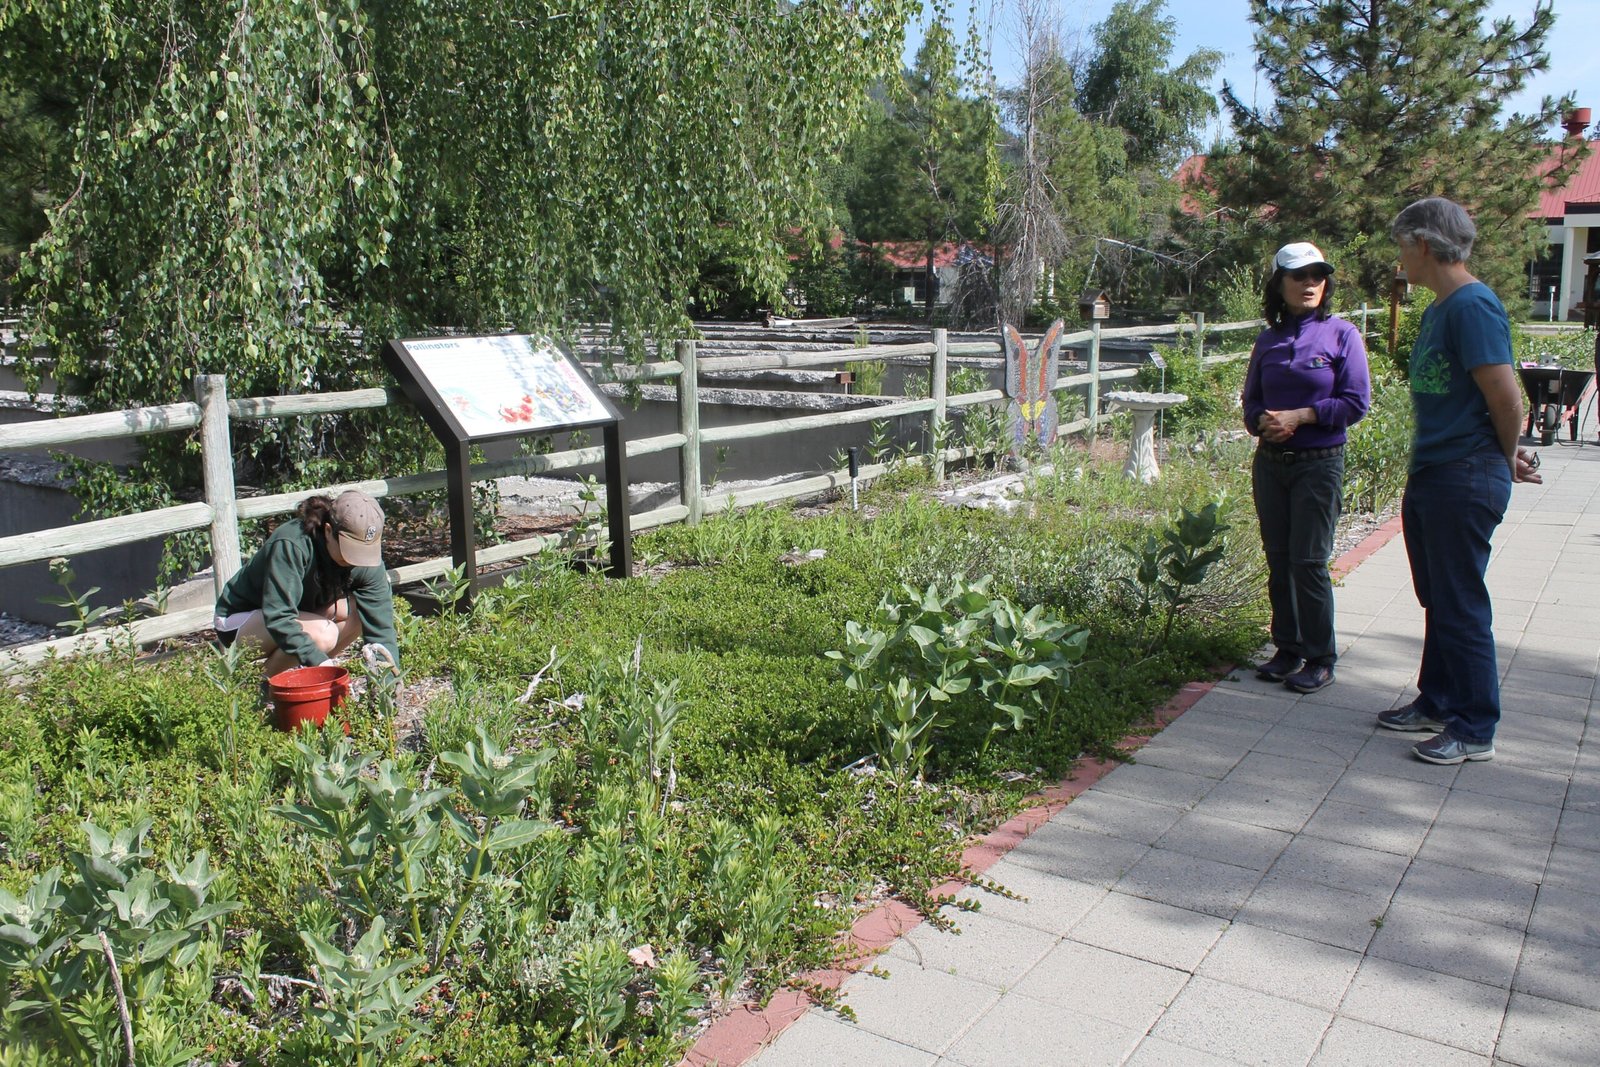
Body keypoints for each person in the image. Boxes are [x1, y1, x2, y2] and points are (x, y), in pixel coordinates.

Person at [1376, 197, 1541, 764]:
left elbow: (1504, 395)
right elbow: (1471, 402)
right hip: (1437, 471)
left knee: (1460, 601)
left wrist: (1504, 454)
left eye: (1403, 247)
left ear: (1423, 244)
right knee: (1439, 597)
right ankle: (1439, 698)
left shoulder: (1472, 306)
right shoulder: (1439, 309)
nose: (1401, 261)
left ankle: (1475, 727)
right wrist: (1506, 452)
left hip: (1462, 476)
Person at [1242, 241, 1372, 694]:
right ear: (1279, 284)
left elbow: (1356, 402)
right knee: (1278, 559)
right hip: (1272, 464)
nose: (1310, 283)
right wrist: (1263, 422)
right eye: (1299, 276)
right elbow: (1252, 402)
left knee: (1309, 561)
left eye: (1318, 275)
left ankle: (1320, 657)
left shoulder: (1342, 335)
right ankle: (1287, 648)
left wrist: (1301, 417)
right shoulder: (1269, 339)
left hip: (1319, 464)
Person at [213, 489, 400, 680]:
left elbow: (381, 629)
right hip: (241, 621)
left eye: (363, 551)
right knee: (323, 635)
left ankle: (302, 680)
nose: (356, 560)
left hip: (296, 614)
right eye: (350, 551)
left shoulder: (367, 562)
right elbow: (279, 616)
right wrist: (321, 661)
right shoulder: (292, 544)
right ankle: (258, 687)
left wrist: (387, 689)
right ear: (328, 531)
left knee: (361, 611)